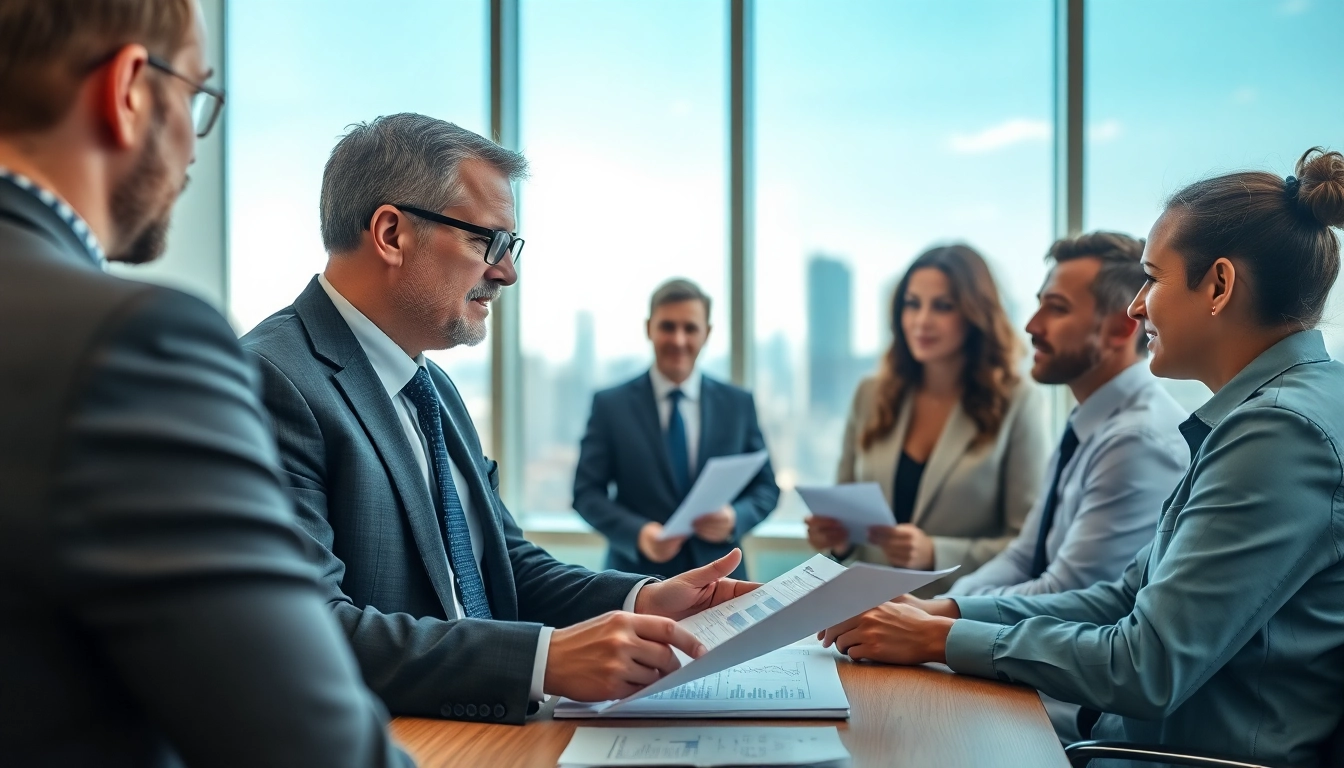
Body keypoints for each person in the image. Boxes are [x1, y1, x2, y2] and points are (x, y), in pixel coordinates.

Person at [820, 148, 1344, 768]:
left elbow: (1147, 667)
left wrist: (942, 637)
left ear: (1220, 286)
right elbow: (1123, 595)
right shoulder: (1278, 409)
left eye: (1153, 277)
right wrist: (951, 610)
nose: (1137, 305)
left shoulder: (1278, 433)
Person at [241, 114, 754, 724]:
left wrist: (643, 597)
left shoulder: (434, 389)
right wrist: (543, 660)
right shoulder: (270, 379)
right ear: (391, 233)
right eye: (490, 241)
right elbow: (307, 627)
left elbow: (503, 563)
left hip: (489, 732)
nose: (507, 271)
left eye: (510, 247)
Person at [0, 2, 408, 766]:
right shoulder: (134, 343)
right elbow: (306, 747)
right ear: (128, 90)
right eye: (195, 95)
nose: (192, 144)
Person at [943, 232, 1189, 741]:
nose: (1032, 326)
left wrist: (943, 625)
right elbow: (1023, 555)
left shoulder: (1136, 439)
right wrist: (949, 607)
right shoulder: (1090, 419)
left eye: (1055, 309)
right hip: (1025, 677)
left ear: (1124, 325)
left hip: (1067, 711)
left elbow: (1069, 591)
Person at [806, 244, 1049, 596]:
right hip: (864, 613)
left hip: (954, 621)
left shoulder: (1017, 402)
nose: (921, 320)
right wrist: (837, 541)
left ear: (974, 313)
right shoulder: (870, 395)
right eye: (912, 303)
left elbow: (1026, 545)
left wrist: (935, 553)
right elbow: (846, 522)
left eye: (943, 306)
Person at [573, 279, 779, 579]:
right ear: (649, 328)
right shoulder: (610, 405)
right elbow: (586, 493)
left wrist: (735, 518)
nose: (679, 340)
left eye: (690, 328)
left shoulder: (738, 404)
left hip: (721, 580)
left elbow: (767, 488)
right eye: (668, 327)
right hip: (637, 583)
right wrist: (639, 534)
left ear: (706, 333)